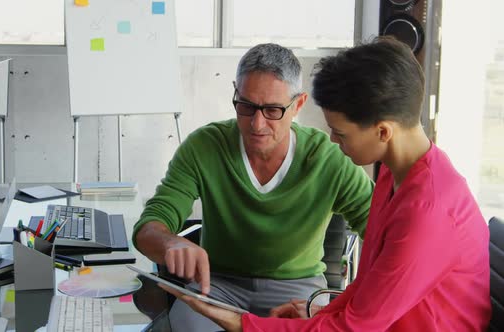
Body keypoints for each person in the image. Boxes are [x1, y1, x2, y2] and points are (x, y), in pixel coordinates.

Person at [162, 37, 492, 331]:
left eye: (341, 132)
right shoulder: (397, 173)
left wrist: (243, 324)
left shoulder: (428, 212)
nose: (332, 139)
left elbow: (355, 327)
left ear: (383, 132)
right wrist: (321, 312)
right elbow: (371, 289)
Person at [132, 43, 374, 331]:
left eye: (272, 110)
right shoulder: (204, 146)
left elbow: (383, 234)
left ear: (298, 104)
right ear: (235, 93)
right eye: (246, 106)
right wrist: (170, 242)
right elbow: (149, 226)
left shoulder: (328, 158)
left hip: (297, 291)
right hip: (217, 286)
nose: (257, 124)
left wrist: (340, 302)